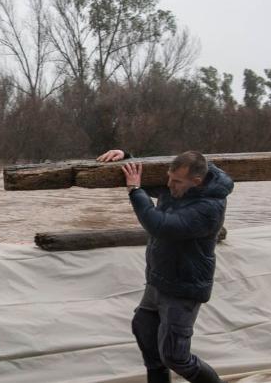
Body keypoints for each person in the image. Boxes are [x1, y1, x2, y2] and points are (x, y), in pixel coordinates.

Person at [96, 149, 233, 383]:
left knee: (176, 357)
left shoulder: (208, 209)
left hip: (183, 287)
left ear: (196, 181)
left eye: (176, 181)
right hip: (159, 278)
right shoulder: (181, 185)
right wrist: (127, 155)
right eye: (169, 177)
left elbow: (160, 226)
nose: (169, 184)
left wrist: (135, 191)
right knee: (144, 329)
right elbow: (150, 175)